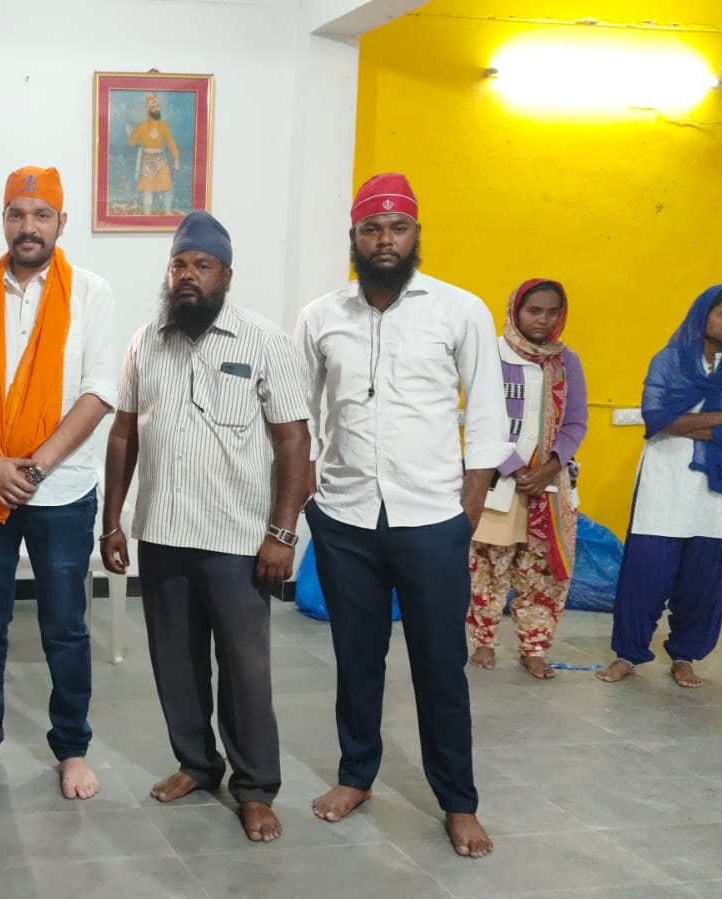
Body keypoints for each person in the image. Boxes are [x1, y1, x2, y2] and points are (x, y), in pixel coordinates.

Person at [294, 172, 510, 858]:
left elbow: (487, 414)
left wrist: (468, 506)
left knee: (439, 665)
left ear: (416, 234)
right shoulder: (320, 316)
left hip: (431, 518)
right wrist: (310, 495)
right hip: (345, 517)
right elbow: (298, 413)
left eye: (397, 227)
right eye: (371, 228)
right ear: (353, 237)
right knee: (355, 659)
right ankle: (356, 775)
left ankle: (458, 801)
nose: (384, 240)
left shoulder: (459, 310)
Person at [101, 212, 310, 842]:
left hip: (238, 541)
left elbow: (294, 441)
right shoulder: (147, 340)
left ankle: (255, 787)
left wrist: (282, 533)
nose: (188, 275)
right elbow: (123, 434)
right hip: (163, 533)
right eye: (179, 265)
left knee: (245, 669)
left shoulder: (263, 341)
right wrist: (112, 521)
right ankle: (196, 764)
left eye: (202, 265)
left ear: (226, 276)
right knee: (176, 663)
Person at [0, 166, 118, 800]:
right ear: (3, 221)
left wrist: (34, 467)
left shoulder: (91, 292)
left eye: (41, 214)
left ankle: (72, 747)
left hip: (62, 494)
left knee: (65, 626)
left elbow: (99, 392)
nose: (28, 226)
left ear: (61, 223)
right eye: (17, 213)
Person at [598, 284, 722, 688]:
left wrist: (691, 425)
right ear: (703, 314)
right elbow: (656, 418)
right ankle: (628, 653)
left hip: (720, 483)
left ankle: (685, 655)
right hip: (666, 477)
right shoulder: (668, 361)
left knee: (705, 576)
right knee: (647, 570)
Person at [467, 279, 587, 679]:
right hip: (498, 482)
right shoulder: (491, 355)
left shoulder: (566, 361)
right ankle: (483, 642)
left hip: (550, 485)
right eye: (534, 311)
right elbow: (481, 419)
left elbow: (576, 423)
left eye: (553, 312)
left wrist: (549, 468)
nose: (543, 320)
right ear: (516, 311)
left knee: (543, 573)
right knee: (488, 567)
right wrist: (517, 470)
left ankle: (535, 647)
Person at [126, 93, 180, 215]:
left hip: (161, 160)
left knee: (167, 187)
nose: (156, 109)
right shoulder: (142, 126)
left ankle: (168, 212)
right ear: (148, 110)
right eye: (153, 107)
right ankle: (147, 214)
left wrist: (176, 158)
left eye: (157, 106)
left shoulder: (164, 126)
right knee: (147, 190)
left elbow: (171, 142)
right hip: (146, 160)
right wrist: (130, 134)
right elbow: (132, 143)